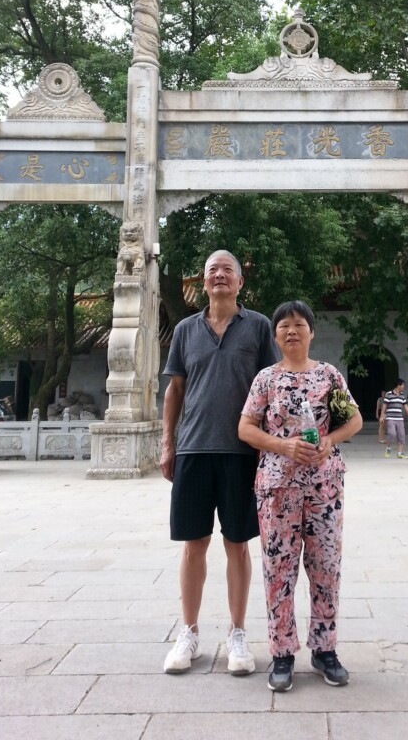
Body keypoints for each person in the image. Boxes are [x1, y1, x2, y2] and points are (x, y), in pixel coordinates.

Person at [159, 250, 279, 676]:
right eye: (213, 271)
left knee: (237, 545)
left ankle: (238, 633)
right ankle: (188, 631)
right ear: (203, 283)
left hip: (242, 454)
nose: (220, 276)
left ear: (240, 283)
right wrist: (167, 443)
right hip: (193, 450)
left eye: (228, 270)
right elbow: (175, 390)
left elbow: (272, 388)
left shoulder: (260, 327)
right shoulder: (186, 330)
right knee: (194, 545)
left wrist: (272, 447)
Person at [239, 300, 363, 693]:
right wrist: (282, 446)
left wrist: (330, 440)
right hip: (278, 489)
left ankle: (325, 650)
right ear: (275, 336)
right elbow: (245, 427)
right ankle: (282, 653)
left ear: (312, 332)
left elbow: (355, 420)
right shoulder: (266, 380)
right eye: (284, 326)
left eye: (299, 324)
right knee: (279, 571)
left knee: (326, 568)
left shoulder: (329, 376)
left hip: (325, 488)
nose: (291, 331)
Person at [380, 379, 408, 458]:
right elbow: (384, 406)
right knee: (392, 433)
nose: (403, 387)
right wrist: (382, 416)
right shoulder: (389, 394)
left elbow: (405, 406)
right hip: (391, 417)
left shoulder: (402, 395)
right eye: (403, 385)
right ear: (399, 385)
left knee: (401, 435)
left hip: (400, 419)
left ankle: (400, 453)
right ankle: (388, 447)